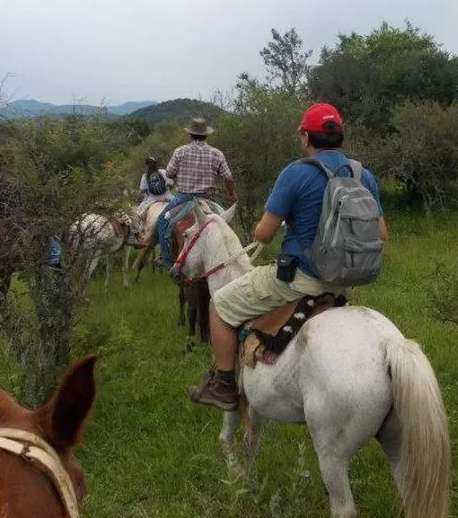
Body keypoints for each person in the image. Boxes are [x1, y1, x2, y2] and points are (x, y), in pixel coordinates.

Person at [189, 103, 388, 410]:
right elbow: (382, 234)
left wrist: (279, 223)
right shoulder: (364, 175)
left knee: (219, 306)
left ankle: (225, 386)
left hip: (300, 279)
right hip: (342, 280)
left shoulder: (296, 173)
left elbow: (264, 235)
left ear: (306, 137)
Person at [155, 117, 237, 266]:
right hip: (209, 198)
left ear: (190, 134)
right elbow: (228, 178)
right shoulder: (216, 153)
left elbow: (169, 173)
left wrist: (179, 174)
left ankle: (166, 259)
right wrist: (233, 194)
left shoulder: (180, 151)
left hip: (183, 199)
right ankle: (232, 254)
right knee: (226, 221)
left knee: (162, 220)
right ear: (206, 135)